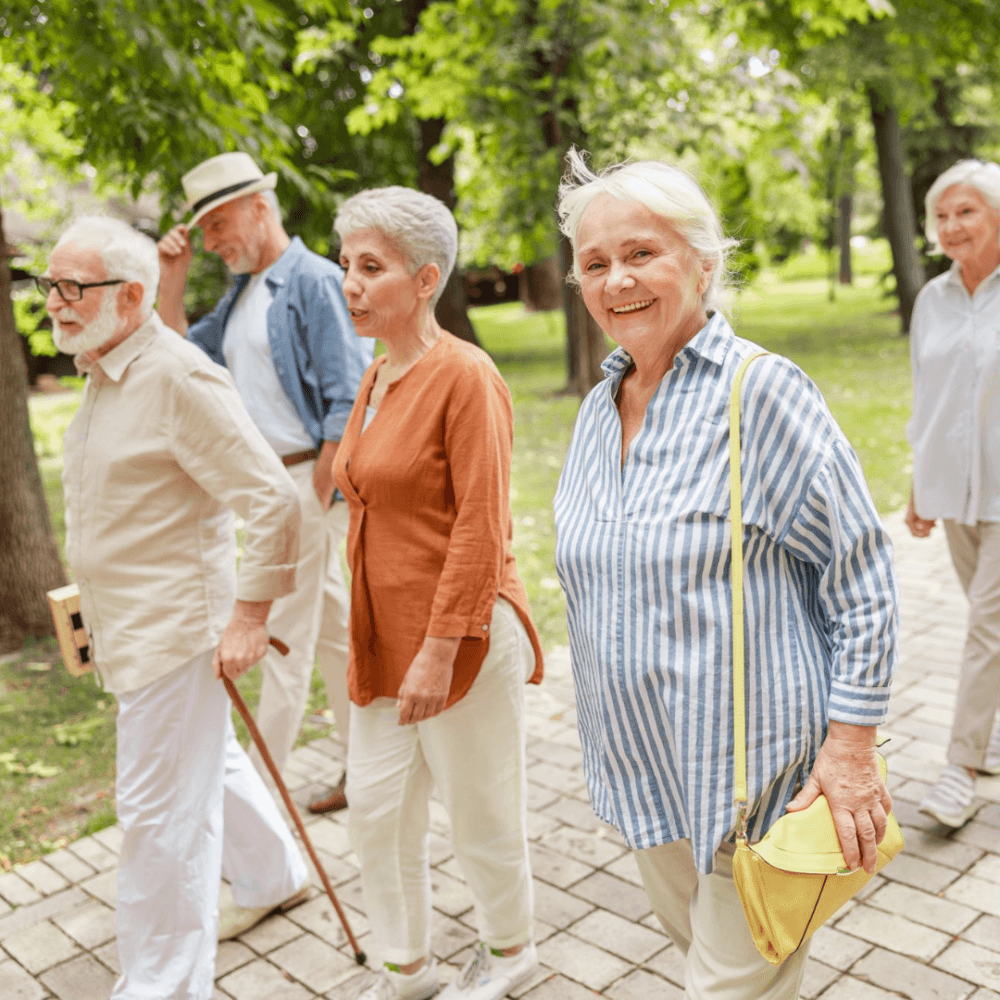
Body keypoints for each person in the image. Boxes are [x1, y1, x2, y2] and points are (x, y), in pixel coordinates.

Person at [552, 153, 898, 999]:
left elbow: (862, 577)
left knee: (724, 987)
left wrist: (850, 749)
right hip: (646, 775)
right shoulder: (602, 406)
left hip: (756, 786)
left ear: (703, 263)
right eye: (595, 264)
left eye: (641, 253)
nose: (616, 279)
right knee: (719, 968)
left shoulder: (760, 392)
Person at [45, 216, 310, 999]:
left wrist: (251, 617)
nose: (54, 302)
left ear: (131, 296)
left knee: (160, 818)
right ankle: (273, 875)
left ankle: (161, 984)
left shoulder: (179, 378)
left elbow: (272, 501)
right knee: (213, 761)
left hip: (175, 634)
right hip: (127, 624)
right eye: (48, 284)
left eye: (73, 286)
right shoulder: (104, 367)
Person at [330, 186, 544, 1000]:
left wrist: (439, 649)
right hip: (382, 638)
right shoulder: (377, 374)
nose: (351, 282)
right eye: (347, 264)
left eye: (371, 267)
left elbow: (482, 528)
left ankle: (513, 951)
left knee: (481, 811)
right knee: (376, 813)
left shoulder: (467, 376)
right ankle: (406, 967)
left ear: (425, 280)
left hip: (462, 638)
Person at [157, 152, 374, 815]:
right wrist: (172, 280)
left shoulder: (309, 281)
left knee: (279, 643)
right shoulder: (243, 294)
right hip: (273, 489)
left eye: (219, 225)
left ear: (260, 206)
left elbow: (348, 392)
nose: (214, 241)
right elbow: (177, 358)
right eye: (207, 232)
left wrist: (312, 496)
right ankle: (364, 773)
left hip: (302, 487)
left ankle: (254, 812)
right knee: (336, 637)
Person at [906, 159, 1000, 828]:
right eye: (942, 215)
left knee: (984, 629)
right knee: (990, 625)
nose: (951, 225)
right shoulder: (932, 299)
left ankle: (959, 769)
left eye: (966, 211)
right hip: (954, 490)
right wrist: (919, 481)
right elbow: (926, 393)